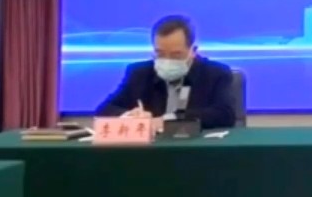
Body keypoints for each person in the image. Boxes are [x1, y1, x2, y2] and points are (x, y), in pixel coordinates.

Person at [94, 14, 237, 129]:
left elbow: (225, 115)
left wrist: (170, 119)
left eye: (176, 55)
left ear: (193, 51)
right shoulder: (139, 73)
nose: (167, 61)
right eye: (160, 54)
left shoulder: (216, 73)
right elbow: (104, 110)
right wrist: (129, 116)